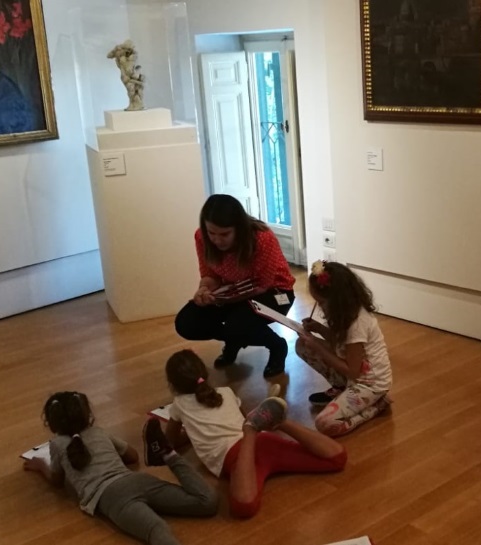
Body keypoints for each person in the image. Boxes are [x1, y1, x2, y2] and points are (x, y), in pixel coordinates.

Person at [149, 349, 347, 518]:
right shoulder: (225, 392)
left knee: (243, 508)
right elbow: (245, 419)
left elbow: (171, 442)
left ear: (173, 385)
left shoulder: (178, 405)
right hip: (264, 441)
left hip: (238, 456)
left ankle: (252, 430)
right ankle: (281, 422)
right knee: (337, 459)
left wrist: (191, 434)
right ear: (204, 373)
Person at [24, 391, 218, 545]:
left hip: (112, 498)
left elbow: (57, 480)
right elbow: (132, 456)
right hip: (136, 480)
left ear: (52, 423)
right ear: (86, 414)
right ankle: (169, 455)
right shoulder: (98, 432)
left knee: (157, 529)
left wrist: (40, 465)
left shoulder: (57, 444)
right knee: (207, 502)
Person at [174, 194, 296, 378]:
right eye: (212, 233)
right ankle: (235, 338)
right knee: (187, 322)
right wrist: (204, 290)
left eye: (224, 234)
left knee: (237, 324)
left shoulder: (262, 238)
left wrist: (223, 300)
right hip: (233, 291)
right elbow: (210, 275)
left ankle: (276, 345)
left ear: (239, 228)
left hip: (275, 291)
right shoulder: (201, 237)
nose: (217, 240)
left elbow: (262, 285)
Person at [297, 261, 393, 437]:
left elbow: (352, 371)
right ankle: (342, 388)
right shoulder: (345, 313)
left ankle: (376, 406)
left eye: (321, 302)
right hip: (354, 374)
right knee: (302, 344)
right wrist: (319, 329)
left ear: (337, 301)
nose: (319, 307)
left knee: (324, 423)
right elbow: (342, 344)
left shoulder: (357, 324)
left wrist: (318, 346)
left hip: (369, 384)